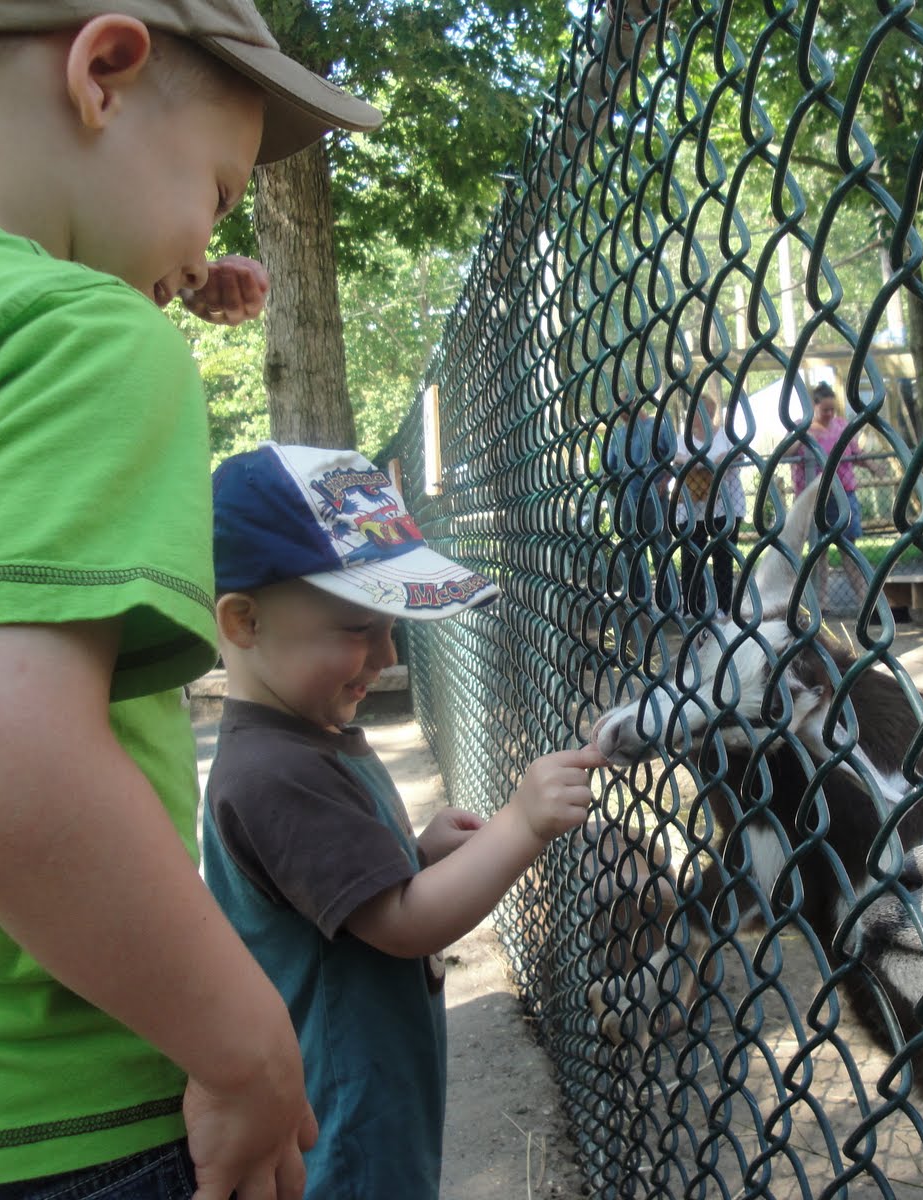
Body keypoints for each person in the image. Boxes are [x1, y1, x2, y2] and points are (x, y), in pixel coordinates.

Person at [0, 5, 381, 1198]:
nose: (203, 247)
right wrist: (240, 1043)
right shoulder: (76, 337)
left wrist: (149, 256)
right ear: (104, 70)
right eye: (217, 194)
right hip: (50, 1110)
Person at [201, 442, 605, 1199]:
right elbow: (401, 925)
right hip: (345, 1117)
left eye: (393, 627)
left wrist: (412, 855)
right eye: (359, 626)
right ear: (244, 620)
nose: (385, 655)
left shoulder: (300, 740)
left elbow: (331, 904)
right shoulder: (276, 772)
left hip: (365, 1084)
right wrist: (523, 824)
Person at [790, 380, 883, 610]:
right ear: (814, 406)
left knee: (848, 549)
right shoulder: (802, 428)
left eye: (833, 409)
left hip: (842, 495)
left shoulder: (841, 426)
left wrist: (873, 467)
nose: (830, 414)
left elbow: (856, 453)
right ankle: (820, 603)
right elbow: (786, 453)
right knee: (817, 552)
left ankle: (865, 600)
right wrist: (799, 437)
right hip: (813, 498)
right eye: (825, 410)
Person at [675, 393, 747, 618]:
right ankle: (692, 607)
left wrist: (721, 460)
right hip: (693, 509)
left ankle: (723, 607)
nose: (694, 416)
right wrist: (699, 463)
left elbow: (739, 453)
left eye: (700, 411)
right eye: (693, 411)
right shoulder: (684, 438)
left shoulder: (725, 436)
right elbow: (676, 457)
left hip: (724, 506)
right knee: (691, 557)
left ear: (710, 413)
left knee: (722, 556)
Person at [604, 394, 678, 612]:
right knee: (631, 550)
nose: (622, 417)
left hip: (654, 496)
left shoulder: (656, 426)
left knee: (660, 549)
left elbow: (672, 456)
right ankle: (639, 601)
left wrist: (664, 481)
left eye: (624, 411)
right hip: (629, 498)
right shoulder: (619, 434)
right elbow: (612, 466)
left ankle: (668, 604)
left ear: (636, 405)